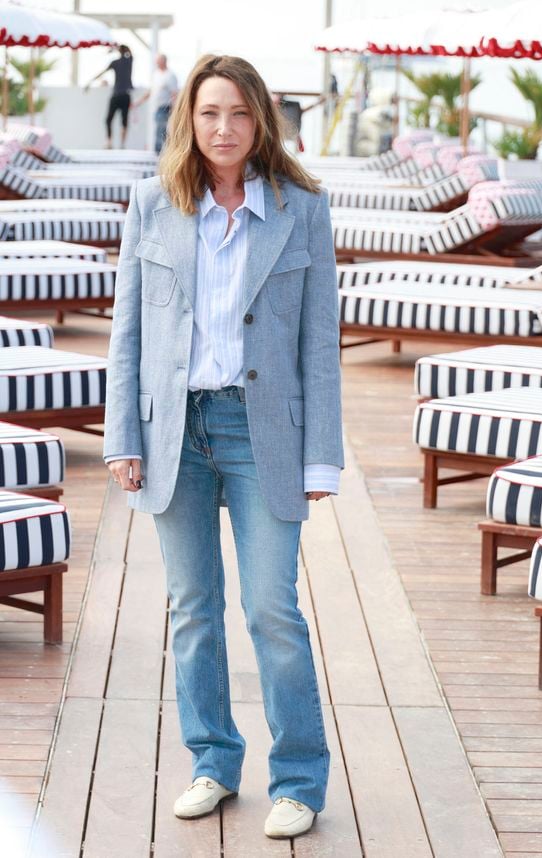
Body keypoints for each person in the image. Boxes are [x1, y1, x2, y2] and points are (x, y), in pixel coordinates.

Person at [103, 54, 343, 839]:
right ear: (189, 119)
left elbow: (319, 343)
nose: (224, 128)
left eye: (240, 113)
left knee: (273, 609)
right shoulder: (152, 204)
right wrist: (121, 438)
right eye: (210, 112)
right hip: (176, 430)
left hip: (260, 428)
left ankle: (299, 780)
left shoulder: (301, 207)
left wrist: (320, 457)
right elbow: (129, 334)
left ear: (261, 120)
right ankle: (212, 760)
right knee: (192, 609)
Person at [85, 44, 133, 149]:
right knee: (123, 120)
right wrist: (117, 48)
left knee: (109, 119)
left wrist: (90, 82)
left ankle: (109, 142)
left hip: (117, 94)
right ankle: (121, 144)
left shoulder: (116, 62)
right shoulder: (129, 61)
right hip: (125, 95)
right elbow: (129, 51)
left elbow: (102, 73)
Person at [132, 54, 179, 154]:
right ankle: (161, 153)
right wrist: (138, 102)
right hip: (156, 108)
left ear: (164, 61)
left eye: (158, 61)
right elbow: (150, 92)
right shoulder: (156, 74)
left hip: (165, 107)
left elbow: (175, 94)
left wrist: (175, 110)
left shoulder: (170, 75)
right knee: (160, 130)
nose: (156, 63)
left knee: (160, 131)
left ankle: (158, 154)